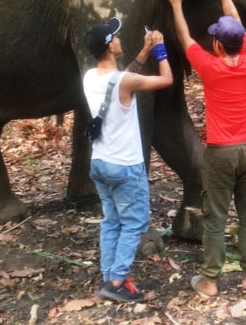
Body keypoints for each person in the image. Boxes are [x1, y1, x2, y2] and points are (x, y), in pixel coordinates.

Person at [164, 0, 246, 300]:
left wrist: (177, 4)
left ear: (218, 45)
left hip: (220, 151)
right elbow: (233, 17)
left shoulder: (209, 66)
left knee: (216, 217)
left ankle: (209, 281)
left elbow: (185, 39)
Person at [83, 17, 173, 303]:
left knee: (111, 221)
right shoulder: (124, 81)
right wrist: (160, 50)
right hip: (125, 166)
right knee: (135, 223)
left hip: (100, 163)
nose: (120, 38)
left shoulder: (89, 77)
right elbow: (166, 79)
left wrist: (144, 51)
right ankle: (118, 281)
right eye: (116, 36)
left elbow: (122, 79)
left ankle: (109, 275)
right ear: (110, 47)